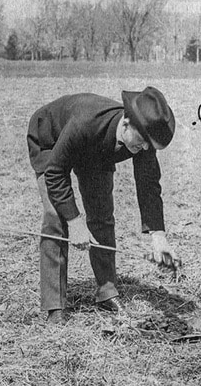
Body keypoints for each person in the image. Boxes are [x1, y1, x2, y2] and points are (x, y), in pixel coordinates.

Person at [26, 87, 179, 323]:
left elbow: (149, 186)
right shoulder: (85, 122)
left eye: (150, 145)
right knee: (56, 217)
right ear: (126, 124)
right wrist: (75, 221)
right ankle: (54, 306)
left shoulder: (142, 136)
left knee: (102, 214)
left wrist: (158, 237)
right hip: (50, 139)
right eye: (143, 142)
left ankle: (107, 292)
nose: (146, 149)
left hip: (95, 151)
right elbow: (55, 173)